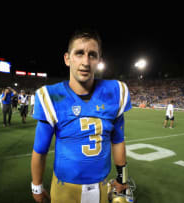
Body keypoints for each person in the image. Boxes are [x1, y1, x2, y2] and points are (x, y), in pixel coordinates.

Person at [30, 29, 131, 203]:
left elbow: (118, 140)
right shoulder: (52, 97)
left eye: (92, 55)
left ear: (98, 60)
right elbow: (40, 150)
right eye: (79, 53)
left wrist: (122, 178)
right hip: (65, 188)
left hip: (101, 185)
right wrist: (37, 187)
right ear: (67, 59)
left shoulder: (115, 92)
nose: (86, 61)